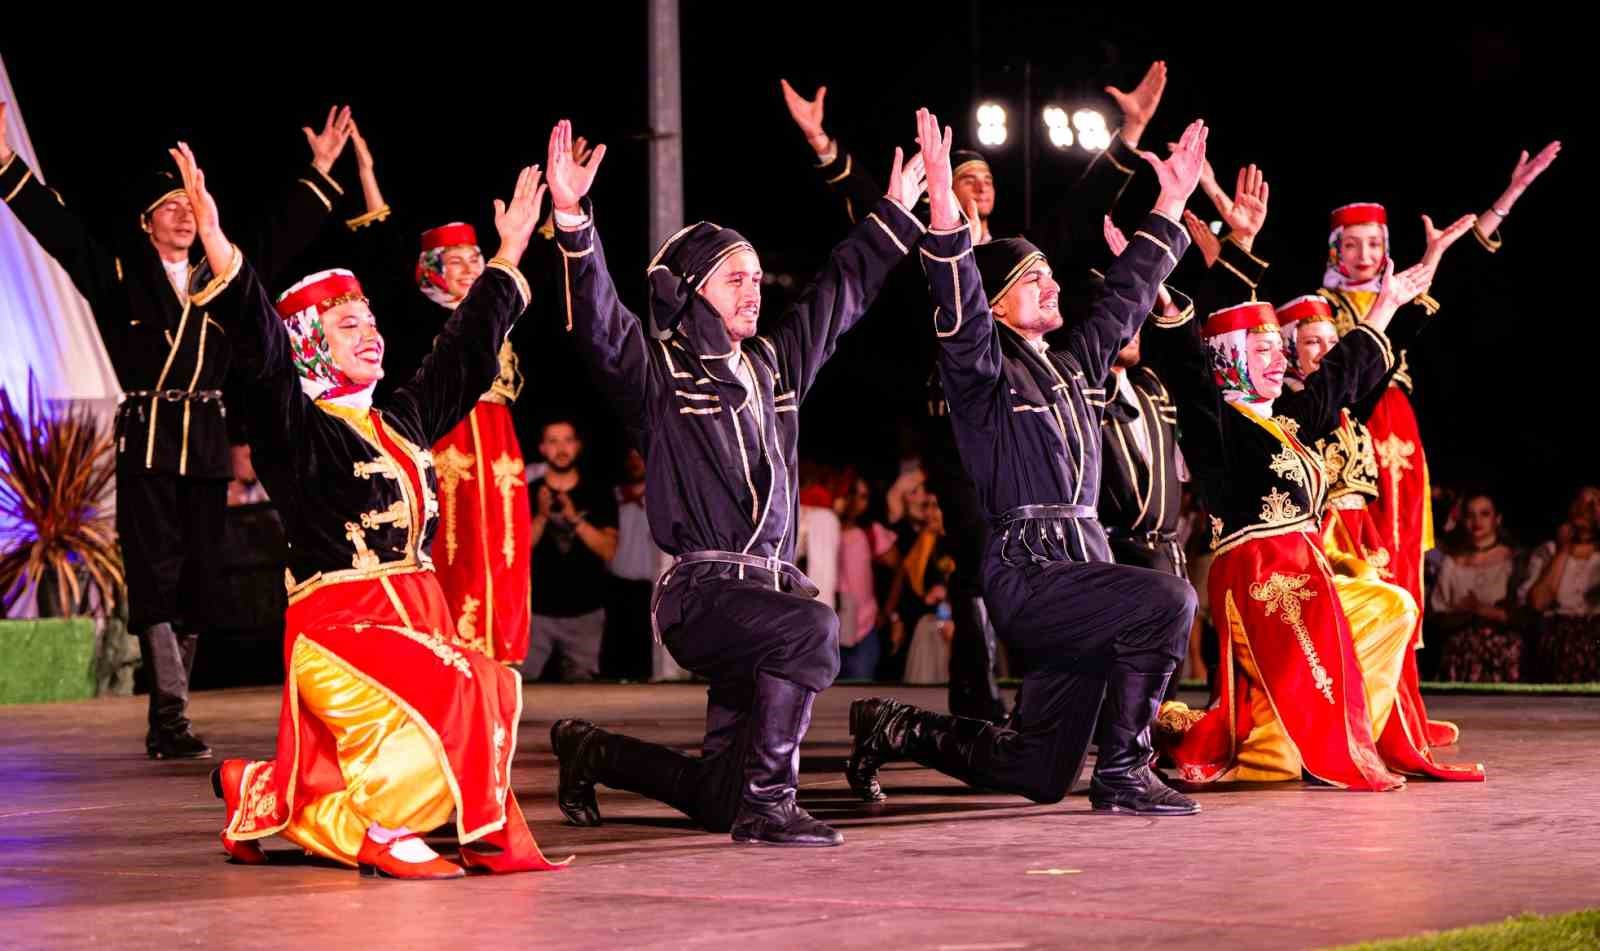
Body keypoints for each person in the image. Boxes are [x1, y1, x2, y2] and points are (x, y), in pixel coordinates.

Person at [169, 143, 563, 877]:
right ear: (311, 345)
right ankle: (378, 827)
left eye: (371, 320)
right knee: (467, 688)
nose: (371, 333)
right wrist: (221, 249)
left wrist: (509, 251)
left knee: (487, 693)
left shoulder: (401, 420)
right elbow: (258, 348)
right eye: (348, 326)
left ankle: (260, 789)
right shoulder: (295, 428)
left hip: (415, 620)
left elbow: (465, 353)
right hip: (341, 630)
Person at [544, 117, 928, 846]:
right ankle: (771, 804)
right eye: (736, 278)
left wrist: (894, 215)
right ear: (692, 290)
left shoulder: (774, 369)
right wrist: (572, 221)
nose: (754, 289)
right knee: (814, 628)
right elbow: (597, 322)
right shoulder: (659, 372)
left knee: (716, 793)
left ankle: (594, 750)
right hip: (704, 596)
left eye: (756, 277)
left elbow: (838, 295)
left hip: (763, 594)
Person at [846, 111, 1206, 816]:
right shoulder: (981, 373)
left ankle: (893, 725)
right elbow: (957, 307)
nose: (1051, 286)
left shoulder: (1072, 368)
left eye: (1049, 274)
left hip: (1082, 565)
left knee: (1038, 770)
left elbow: (1125, 294)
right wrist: (947, 211)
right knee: (1167, 598)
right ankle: (1125, 770)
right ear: (998, 304)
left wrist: (1169, 207)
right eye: (1030, 278)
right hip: (1029, 572)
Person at [0, 102, 353, 759]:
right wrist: (6, 166)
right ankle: (169, 717)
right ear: (147, 221)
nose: (184, 215)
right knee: (154, 571)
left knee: (200, 573)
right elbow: (62, 233)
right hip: (149, 432)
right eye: (170, 206)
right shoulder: (119, 277)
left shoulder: (220, 274)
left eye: (189, 203)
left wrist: (323, 168)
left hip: (207, 437)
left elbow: (278, 236)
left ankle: (173, 711)